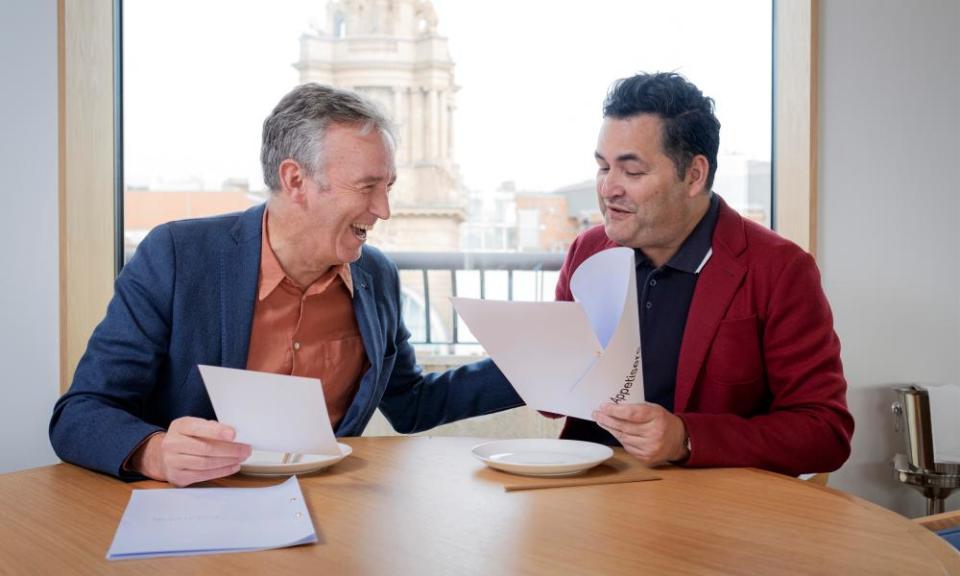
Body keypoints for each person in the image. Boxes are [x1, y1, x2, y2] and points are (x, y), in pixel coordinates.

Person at [49, 84, 522, 486]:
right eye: (367, 187)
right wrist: (154, 453)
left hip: (329, 514)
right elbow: (80, 413)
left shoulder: (376, 276)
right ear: (295, 179)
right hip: (191, 511)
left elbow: (413, 404)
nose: (384, 209)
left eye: (389, 187)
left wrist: (541, 371)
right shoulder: (177, 256)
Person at [556, 72, 854, 476]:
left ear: (694, 175)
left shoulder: (781, 270)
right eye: (603, 166)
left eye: (632, 171)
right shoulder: (587, 251)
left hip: (713, 512)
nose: (608, 188)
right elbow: (555, 379)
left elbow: (825, 432)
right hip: (587, 490)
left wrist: (685, 438)